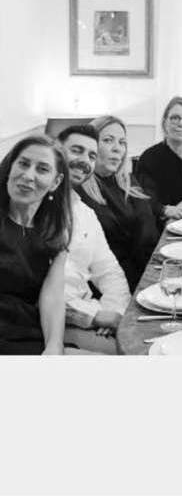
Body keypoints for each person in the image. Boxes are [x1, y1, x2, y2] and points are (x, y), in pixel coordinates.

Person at [57, 124, 130, 354]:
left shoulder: (84, 212)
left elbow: (109, 271)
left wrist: (113, 310)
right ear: (56, 151)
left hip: (91, 311)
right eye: (76, 150)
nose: (84, 161)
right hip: (54, 323)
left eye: (91, 155)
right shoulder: (35, 207)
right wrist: (94, 316)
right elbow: (39, 292)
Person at [0, 135, 72, 355]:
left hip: (27, 333)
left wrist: (54, 346)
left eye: (42, 169)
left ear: (56, 182)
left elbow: (53, 297)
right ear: (10, 167)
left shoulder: (56, 231)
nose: (28, 175)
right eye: (23, 164)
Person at [78, 116, 157, 292]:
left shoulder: (127, 181)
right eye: (108, 140)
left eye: (122, 142)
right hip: (110, 288)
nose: (117, 148)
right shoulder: (79, 191)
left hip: (147, 275)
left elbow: (148, 231)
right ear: (90, 145)